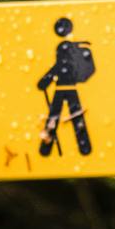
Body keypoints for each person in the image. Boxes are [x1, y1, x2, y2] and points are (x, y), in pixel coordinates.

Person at [36, 17, 93, 157]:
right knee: (68, 116)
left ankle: (46, 149)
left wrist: (45, 81)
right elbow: (60, 67)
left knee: (57, 116)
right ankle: (83, 147)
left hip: (63, 88)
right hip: (67, 88)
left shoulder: (67, 49)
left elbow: (58, 67)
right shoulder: (69, 48)